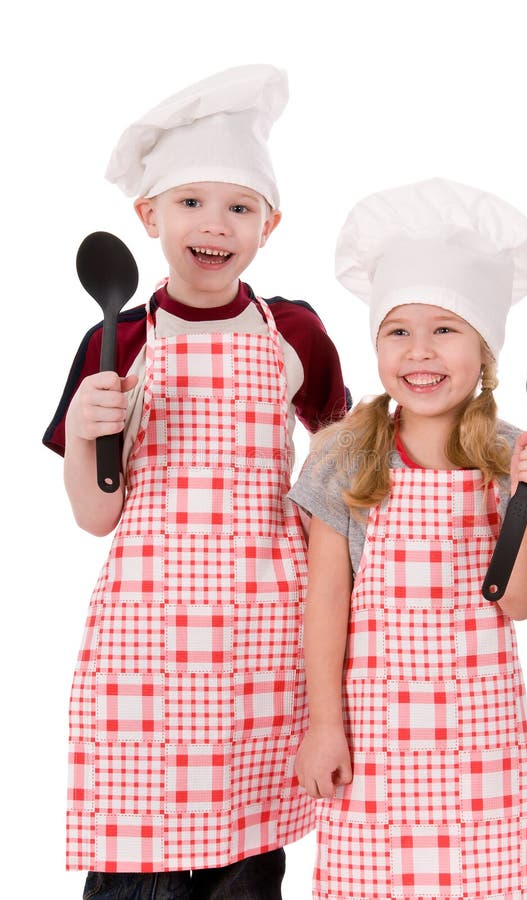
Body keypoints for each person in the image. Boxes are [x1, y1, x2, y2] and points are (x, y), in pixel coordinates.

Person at [43, 64, 348, 900]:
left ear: (268, 225)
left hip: (263, 633)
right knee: (135, 873)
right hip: (146, 637)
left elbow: (342, 472)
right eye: (189, 203)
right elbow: (95, 515)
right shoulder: (116, 342)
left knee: (246, 873)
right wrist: (85, 435)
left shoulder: (295, 331)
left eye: (239, 207)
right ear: (147, 216)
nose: (214, 225)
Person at [290, 178, 527, 900]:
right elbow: (325, 601)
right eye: (398, 331)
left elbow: (523, 603)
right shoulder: (343, 455)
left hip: (482, 747)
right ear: (378, 345)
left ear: (484, 349)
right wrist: (325, 724)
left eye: (445, 329)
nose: (420, 352)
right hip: (374, 742)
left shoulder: (515, 453)